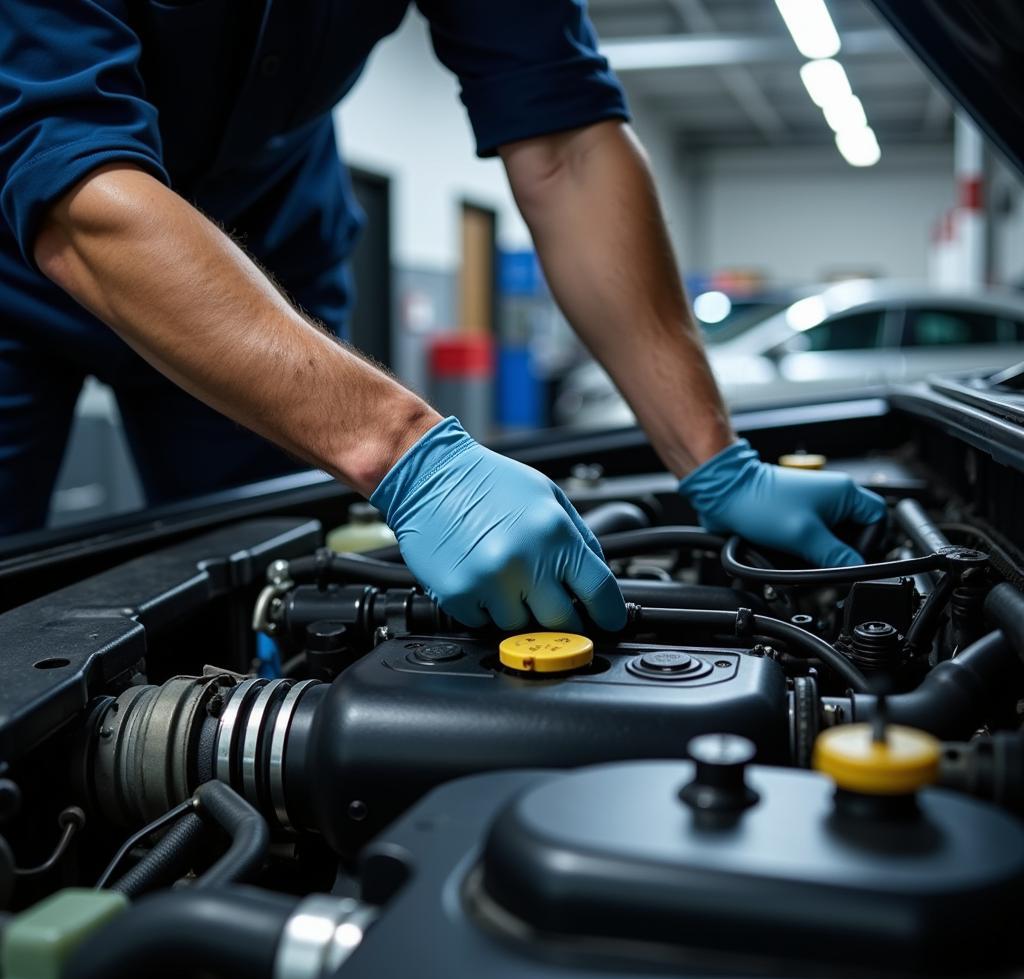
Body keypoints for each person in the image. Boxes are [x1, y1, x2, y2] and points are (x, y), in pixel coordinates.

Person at [0, 1, 885, 631]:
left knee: (248, 599)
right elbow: (75, 186)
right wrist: (404, 451)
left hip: (258, 272)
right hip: (17, 268)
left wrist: (715, 462)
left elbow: (569, 144)